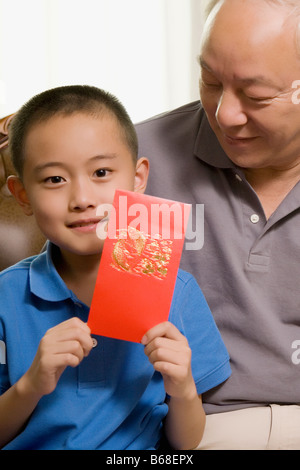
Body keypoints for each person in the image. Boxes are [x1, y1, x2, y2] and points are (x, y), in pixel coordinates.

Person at [0, 85, 230, 450]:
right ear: (23, 194)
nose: (82, 199)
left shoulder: (177, 290)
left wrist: (183, 388)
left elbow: (186, 444)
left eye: (102, 172)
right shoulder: (6, 295)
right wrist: (31, 384)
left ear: (138, 179)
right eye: (54, 179)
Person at [136, 0, 300, 450]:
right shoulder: (135, 165)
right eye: (210, 80)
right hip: (195, 426)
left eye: (256, 95)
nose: (225, 113)